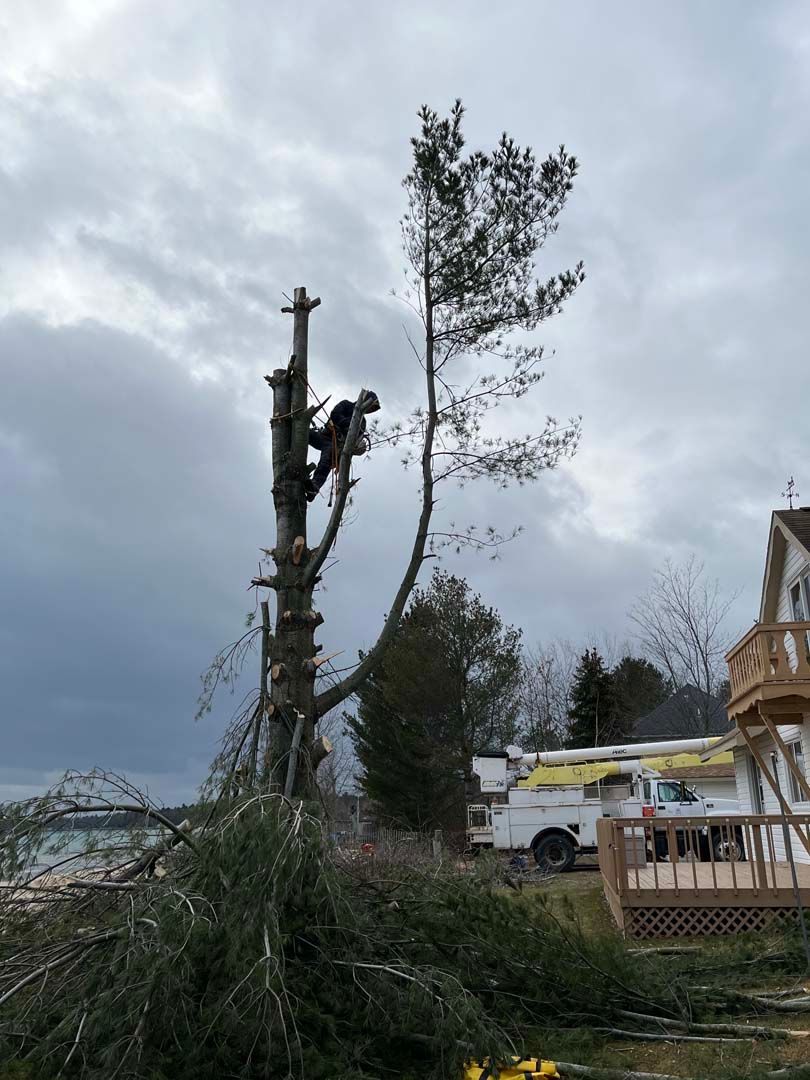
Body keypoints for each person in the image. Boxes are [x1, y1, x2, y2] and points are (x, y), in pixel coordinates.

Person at [305, 390, 380, 502]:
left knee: (327, 459)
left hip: (336, 445)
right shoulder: (346, 404)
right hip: (323, 436)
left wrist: (347, 427)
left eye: (371, 408)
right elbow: (335, 414)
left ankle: (314, 488)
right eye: (370, 406)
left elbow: (355, 437)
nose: (369, 409)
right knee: (304, 432)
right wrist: (347, 424)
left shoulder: (362, 422)